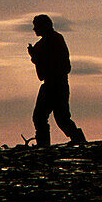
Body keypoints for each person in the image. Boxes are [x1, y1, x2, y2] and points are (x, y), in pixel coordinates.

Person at [28, 14, 86, 146]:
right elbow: (42, 63)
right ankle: (45, 144)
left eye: (36, 26)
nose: (34, 29)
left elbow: (59, 63)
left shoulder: (55, 40)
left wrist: (36, 56)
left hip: (56, 83)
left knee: (58, 117)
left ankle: (77, 140)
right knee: (44, 117)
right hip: (52, 83)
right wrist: (35, 56)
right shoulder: (44, 43)